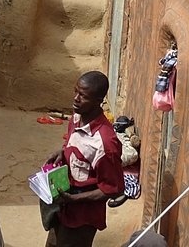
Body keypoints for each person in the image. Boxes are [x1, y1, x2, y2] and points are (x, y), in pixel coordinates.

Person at [43, 71, 124, 247]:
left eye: (83, 96)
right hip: (63, 207)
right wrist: (63, 152)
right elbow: (73, 143)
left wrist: (75, 200)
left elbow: (114, 189)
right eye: (76, 92)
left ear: (98, 101)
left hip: (82, 218)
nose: (76, 99)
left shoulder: (104, 143)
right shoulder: (77, 117)